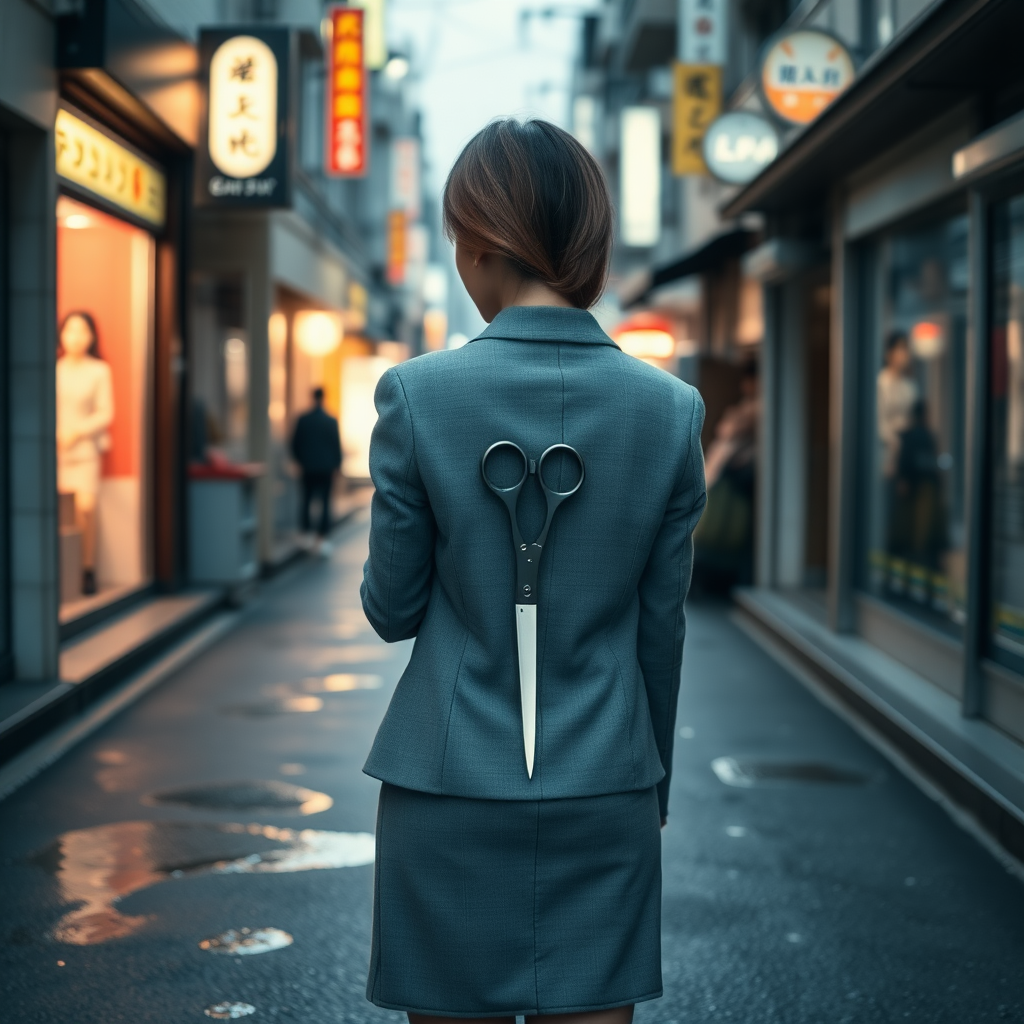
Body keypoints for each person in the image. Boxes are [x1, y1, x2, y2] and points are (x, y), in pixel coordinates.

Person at [360, 118, 707, 1024]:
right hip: (606, 784)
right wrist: (652, 786)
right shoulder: (670, 412)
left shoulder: (416, 395)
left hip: (448, 786)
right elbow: (660, 632)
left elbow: (392, 610)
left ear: (478, 243)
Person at [57, 311, 114, 596]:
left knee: (85, 510)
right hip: (55, 452)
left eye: (82, 331)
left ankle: (87, 569)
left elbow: (106, 412)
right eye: (70, 330)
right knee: (58, 513)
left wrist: (77, 432)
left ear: (91, 336)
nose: (75, 337)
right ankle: (60, 571)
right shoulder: (54, 368)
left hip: (85, 450)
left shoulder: (99, 370)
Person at [290, 387, 341, 556]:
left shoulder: (303, 419)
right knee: (325, 502)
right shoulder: (330, 420)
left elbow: (295, 444)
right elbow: (335, 445)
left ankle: (305, 534)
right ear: (324, 397)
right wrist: (337, 465)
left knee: (306, 500)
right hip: (326, 468)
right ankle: (322, 538)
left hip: (308, 467)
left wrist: (300, 461)